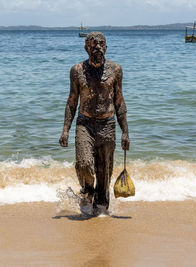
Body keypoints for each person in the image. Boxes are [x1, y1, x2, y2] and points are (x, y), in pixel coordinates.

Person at [59, 32, 129, 215]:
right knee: (84, 163)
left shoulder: (115, 70)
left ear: (106, 47)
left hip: (107, 124)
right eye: (92, 43)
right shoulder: (77, 70)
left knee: (104, 173)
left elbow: (119, 101)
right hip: (85, 124)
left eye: (101, 43)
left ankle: (100, 213)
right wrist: (65, 130)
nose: (97, 46)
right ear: (86, 47)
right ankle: (87, 189)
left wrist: (125, 132)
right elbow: (72, 101)